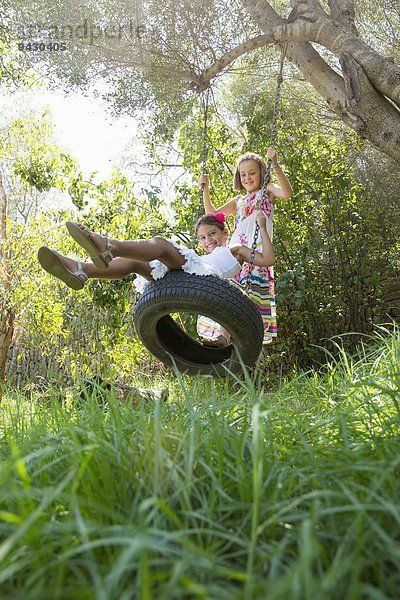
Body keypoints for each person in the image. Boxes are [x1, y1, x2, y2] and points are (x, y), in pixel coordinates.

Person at [38, 213, 274, 316]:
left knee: (161, 245)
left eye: (212, 234)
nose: (208, 240)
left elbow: (269, 260)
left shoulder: (235, 250)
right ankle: (81, 270)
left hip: (202, 279)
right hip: (185, 276)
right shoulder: (201, 255)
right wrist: (205, 188)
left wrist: (262, 227)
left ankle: (108, 245)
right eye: (202, 238)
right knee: (135, 263)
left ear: (225, 232)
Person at [198, 146, 292, 344]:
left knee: (248, 298)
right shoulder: (239, 200)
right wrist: (206, 189)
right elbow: (211, 215)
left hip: (257, 252)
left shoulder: (267, 191)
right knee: (228, 292)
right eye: (243, 174)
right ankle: (221, 338)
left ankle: (236, 346)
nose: (247, 178)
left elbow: (287, 193)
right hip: (236, 252)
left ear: (261, 173)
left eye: (252, 173)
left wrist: (274, 164)